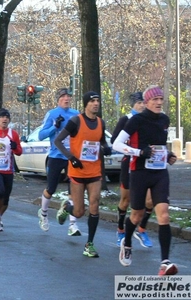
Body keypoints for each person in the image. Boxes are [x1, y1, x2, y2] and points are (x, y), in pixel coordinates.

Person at [112, 85, 178, 276]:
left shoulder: (164, 120)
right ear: (147, 102)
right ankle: (128, 241)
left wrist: (169, 155)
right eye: (154, 100)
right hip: (140, 172)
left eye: (161, 100)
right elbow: (116, 144)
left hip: (159, 173)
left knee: (164, 214)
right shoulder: (136, 120)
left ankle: (165, 262)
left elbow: (159, 146)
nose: (158, 103)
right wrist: (138, 152)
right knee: (136, 215)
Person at [54, 91, 112, 258]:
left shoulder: (101, 123)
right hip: (77, 171)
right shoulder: (75, 121)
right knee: (79, 212)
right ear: (86, 104)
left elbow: (101, 141)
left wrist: (106, 148)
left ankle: (89, 244)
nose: (96, 103)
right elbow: (58, 141)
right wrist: (71, 158)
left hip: (94, 170)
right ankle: (67, 207)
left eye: (98, 101)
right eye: (92, 101)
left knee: (95, 204)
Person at [111, 92, 153, 248]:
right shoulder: (126, 119)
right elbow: (114, 141)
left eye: (144, 103)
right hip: (129, 163)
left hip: (147, 164)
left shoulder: (150, 119)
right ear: (133, 104)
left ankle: (141, 229)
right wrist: (130, 148)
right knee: (126, 200)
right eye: (139, 103)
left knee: (150, 200)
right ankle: (120, 229)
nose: (142, 105)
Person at [37, 88, 81, 235]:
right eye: (63, 96)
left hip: (71, 157)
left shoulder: (76, 114)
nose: (67, 99)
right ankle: (43, 214)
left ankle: (72, 225)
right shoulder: (52, 114)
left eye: (69, 96)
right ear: (58, 99)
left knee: (74, 190)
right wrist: (54, 126)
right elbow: (41, 135)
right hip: (56, 156)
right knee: (51, 188)